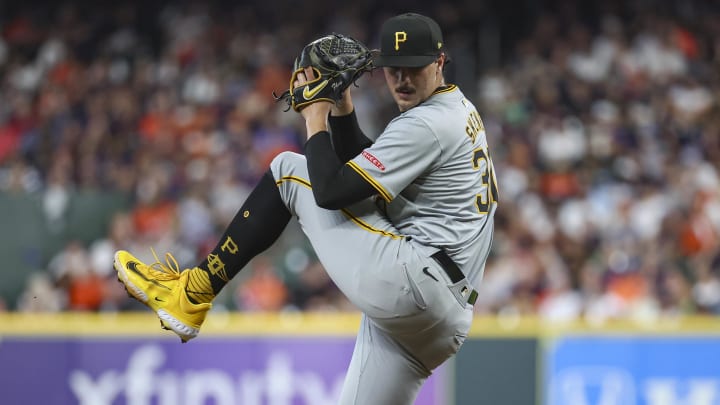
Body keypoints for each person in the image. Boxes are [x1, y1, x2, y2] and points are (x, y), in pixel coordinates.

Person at [114, 12, 498, 404]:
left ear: (439, 63)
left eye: (413, 69)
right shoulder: (456, 110)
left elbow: (331, 192)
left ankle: (192, 295)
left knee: (287, 171)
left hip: (418, 284)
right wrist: (342, 108)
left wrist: (315, 116)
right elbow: (362, 181)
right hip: (438, 318)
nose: (401, 79)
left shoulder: (426, 124)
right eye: (392, 68)